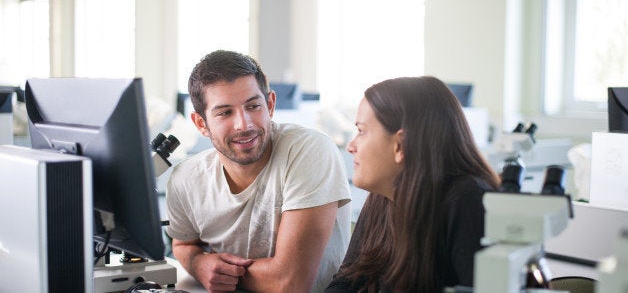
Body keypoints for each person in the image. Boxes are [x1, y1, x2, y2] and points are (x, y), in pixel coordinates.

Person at [166, 50, 352, 292]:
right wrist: (199, 262)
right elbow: (183, 244)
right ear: (201, 124)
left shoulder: (309, 150)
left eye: (253, 106)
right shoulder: (185, 178)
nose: (244, 124)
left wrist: (225, 274)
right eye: (224, 112)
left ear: (271, 105)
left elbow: (290, 283)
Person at [326, 76, 500, 292]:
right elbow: (347, 280)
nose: (351, 146)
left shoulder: (469, 202)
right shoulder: (381, 198)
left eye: (361, 131)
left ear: (401, 144)